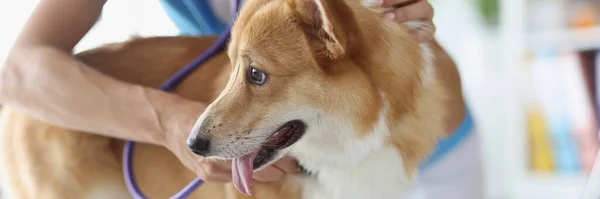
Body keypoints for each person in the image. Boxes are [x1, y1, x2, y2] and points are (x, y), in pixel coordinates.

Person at [1, 0, 479, 198]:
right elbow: (16, 74)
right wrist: (165, 121)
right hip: (295, 151)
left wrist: (404, 42)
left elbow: (437, 105)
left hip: (418, 153)